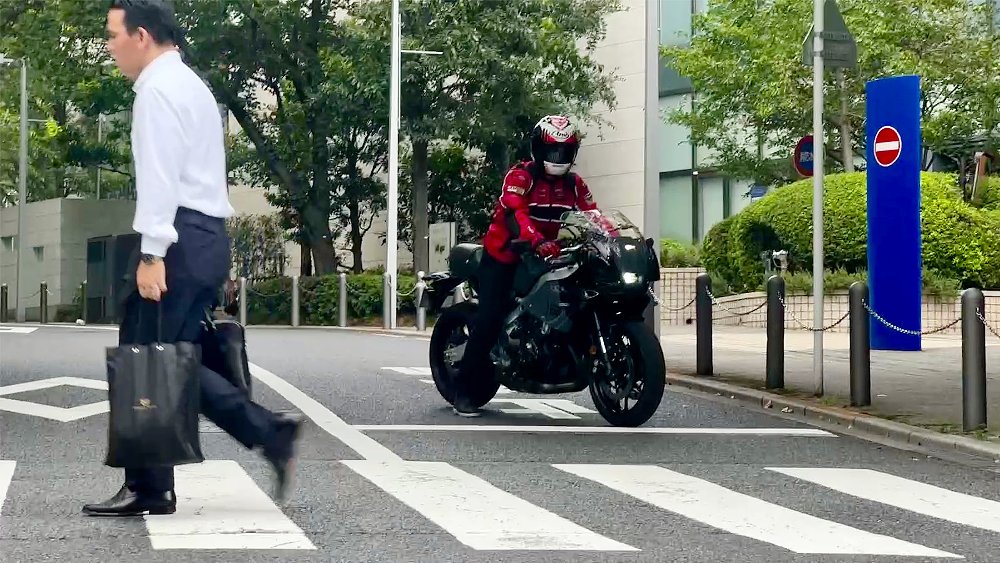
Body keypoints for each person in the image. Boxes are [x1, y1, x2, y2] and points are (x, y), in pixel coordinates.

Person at [83, 0, 304, 517]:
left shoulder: (157, 92)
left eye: (113, 35)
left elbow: (161, 177)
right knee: (170, 356)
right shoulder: (191, 84)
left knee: (152, 357)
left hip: (178, 238)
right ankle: (253, 442)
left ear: (141, 36)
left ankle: (162, 481)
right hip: (204, 235)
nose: (109, 46)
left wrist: (153, 252)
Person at [451, 115, 603, 417]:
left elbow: (594, 215)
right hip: (506, 254)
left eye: (564, 151)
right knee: (490, 317)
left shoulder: (575, 184)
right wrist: (534, 239)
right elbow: (514, 214)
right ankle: (464, 392)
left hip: (547, 254)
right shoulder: (521, 176)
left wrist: (610, 238)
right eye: (551, 151)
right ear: (538, 149)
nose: (557, 158)